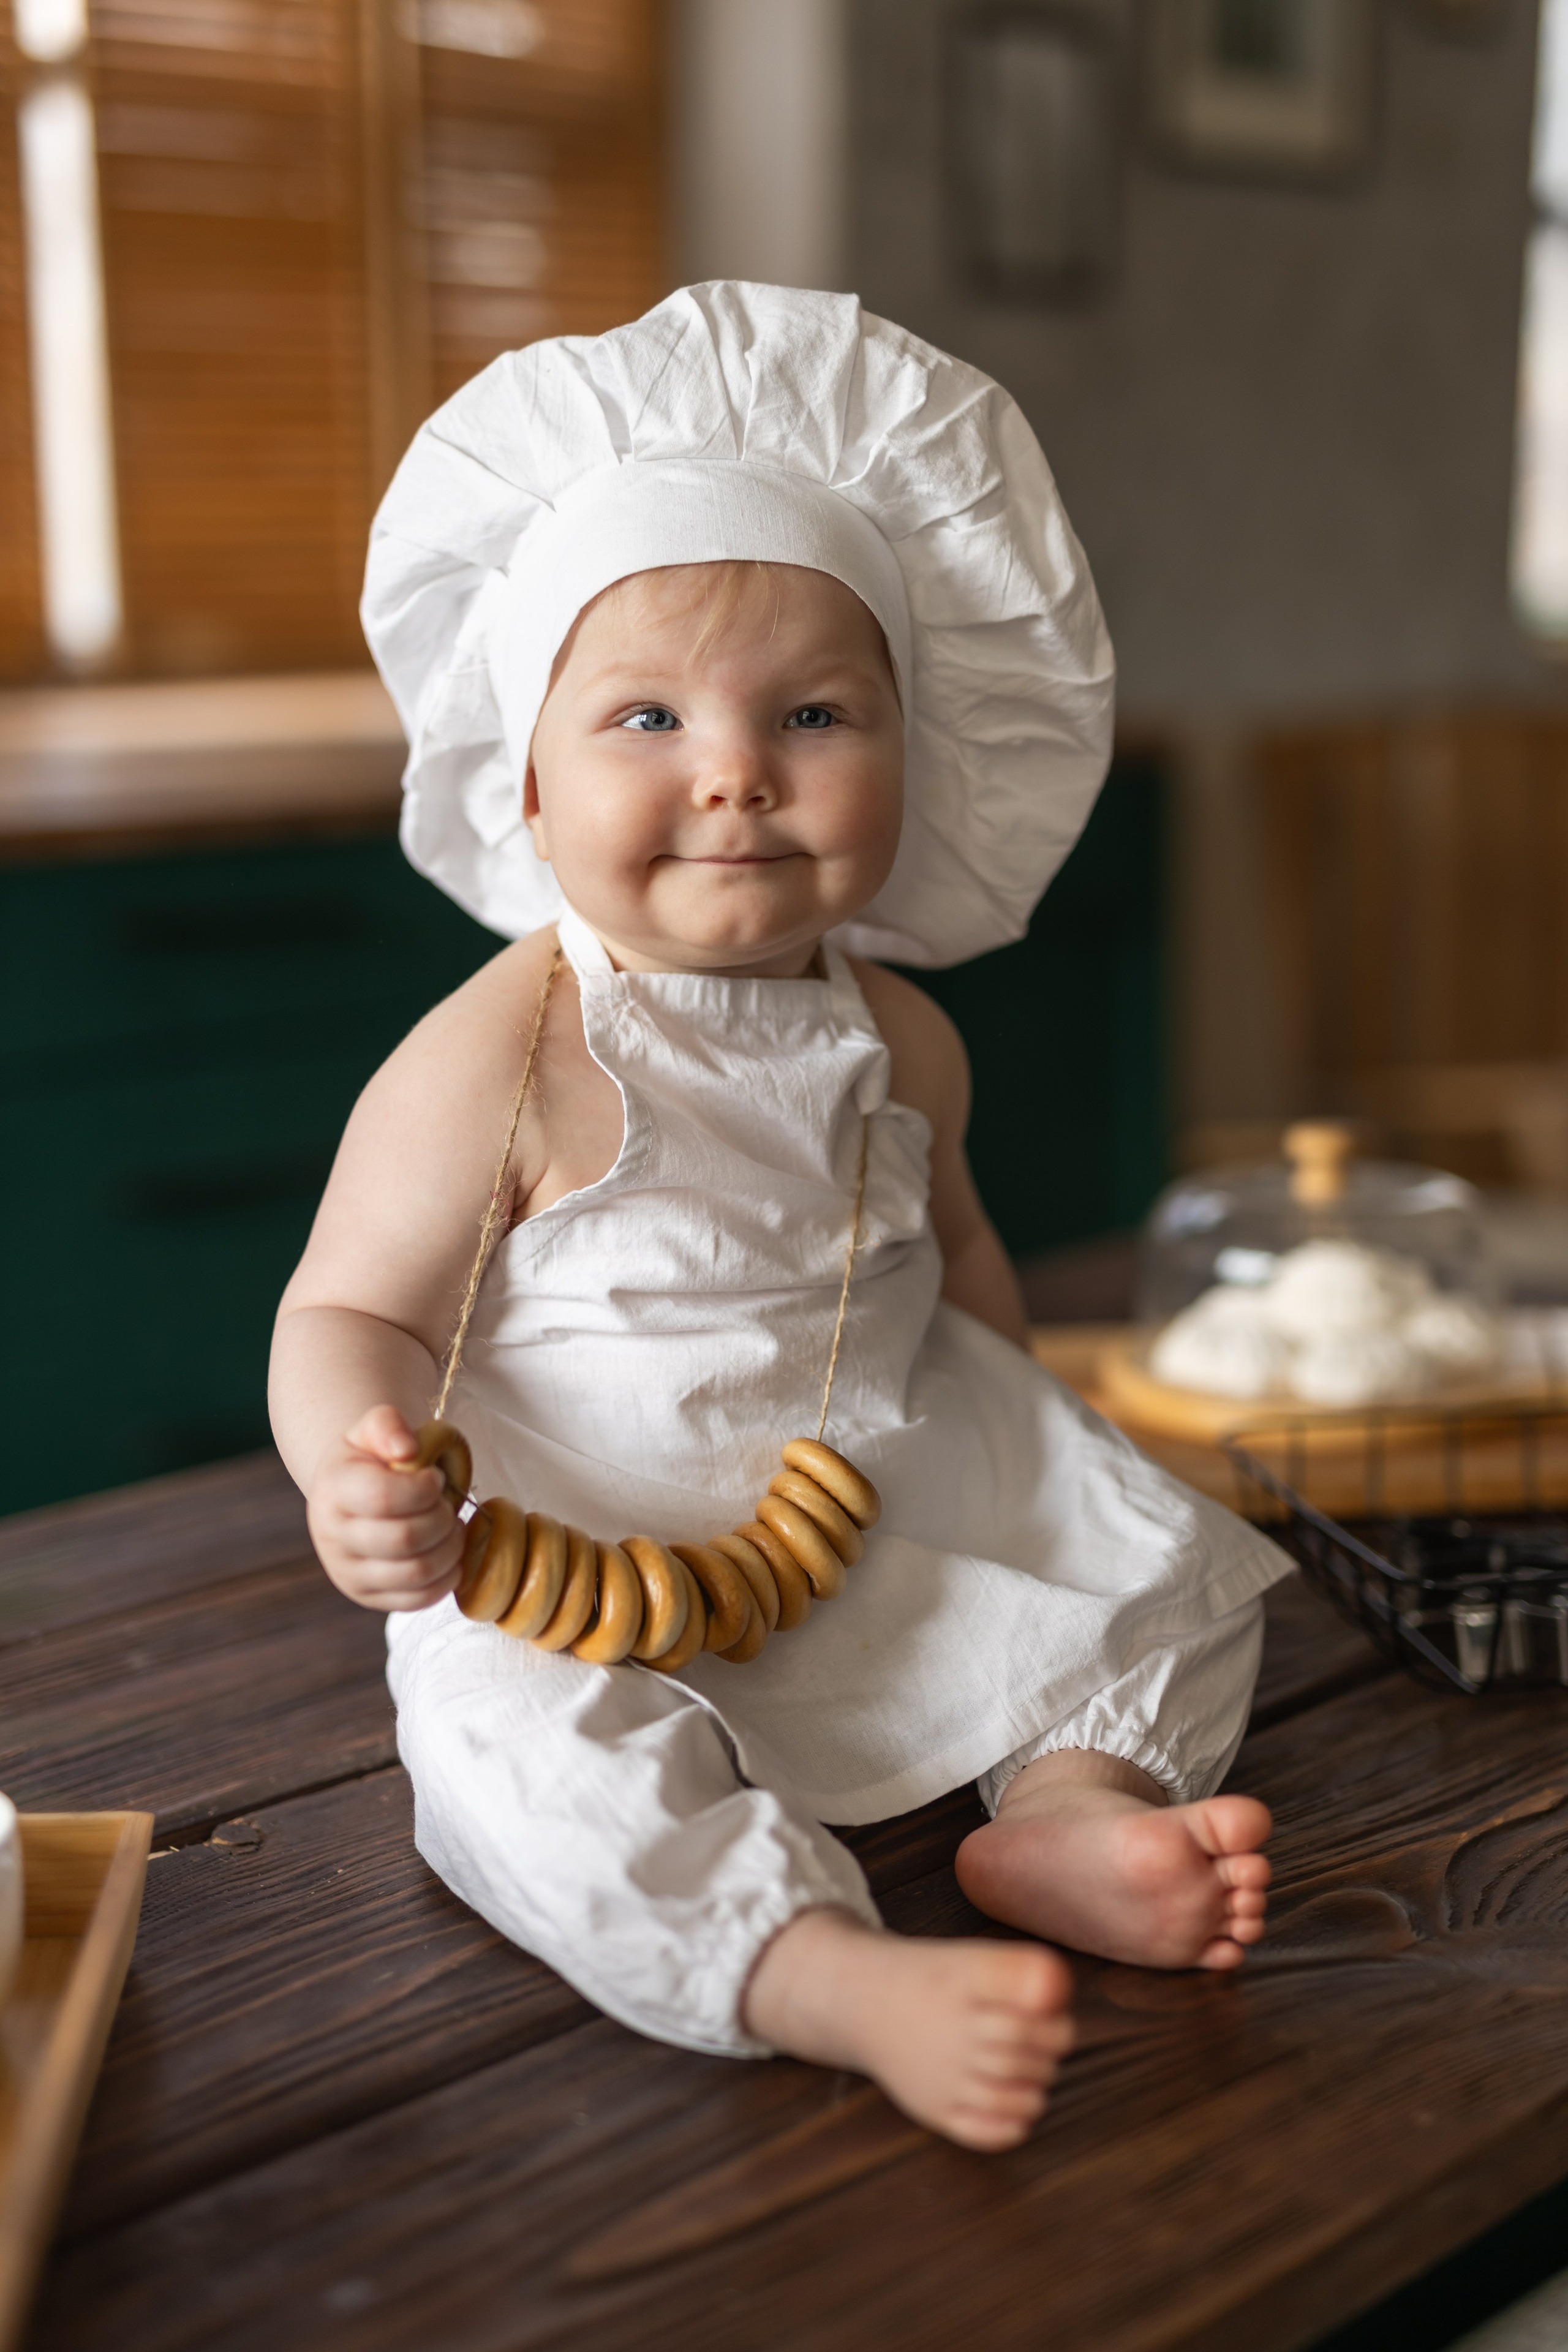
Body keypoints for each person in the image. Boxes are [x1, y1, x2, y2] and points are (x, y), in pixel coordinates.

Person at [270, 283, 1290, 2153]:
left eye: (815, 713)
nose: (735, 769)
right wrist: (357, 1465)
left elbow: (953, 1255)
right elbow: (352, 1311)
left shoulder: (901, 1037)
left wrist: (1041, 1454)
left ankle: (1069, 1809)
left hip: (878, 1494)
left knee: (1158, 1577)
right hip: (584, 1550)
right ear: (527, 782)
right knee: (526, 1755)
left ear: (916, 753)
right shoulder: (501, 1051)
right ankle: (814, 1967)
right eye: (647, 715)